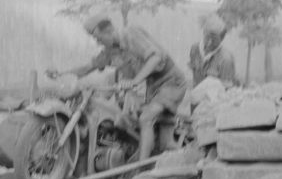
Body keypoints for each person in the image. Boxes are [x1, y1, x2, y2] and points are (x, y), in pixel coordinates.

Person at [47, 13, 187, 160]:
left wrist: (135, 81)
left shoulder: (130, 34)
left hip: (171, 82)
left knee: (146, 118)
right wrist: (61, 74)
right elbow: (88, 67)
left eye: (98, 38)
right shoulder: (110, 51)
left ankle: (140, 168)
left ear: (109, 31)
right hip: (153, 88)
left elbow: (155, 57)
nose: (98, 42)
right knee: (135, 128)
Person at [188, 13, 238, 88]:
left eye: (214, 39)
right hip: (195, 96)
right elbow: (194, 75)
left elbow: (227, 88)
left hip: (215, 99)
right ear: (203, 33)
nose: (209, 42)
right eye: (207, 37)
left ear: (221, 39)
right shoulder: (194, 49)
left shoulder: (226, 59)